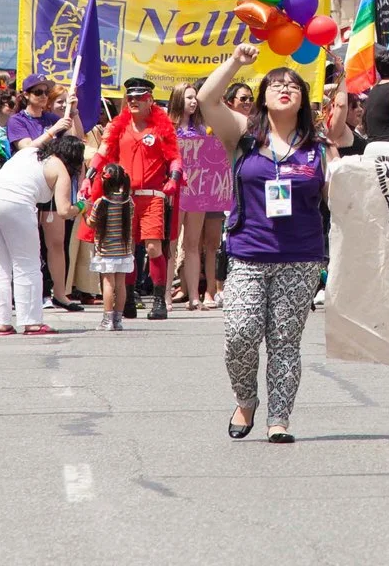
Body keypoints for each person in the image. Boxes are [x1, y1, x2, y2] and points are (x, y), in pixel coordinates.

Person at [202, 42, 341, 442]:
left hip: (301, 258)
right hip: (247, 254)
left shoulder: (318, 148)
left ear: (303, 100)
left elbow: (340, 199)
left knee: (284, 342)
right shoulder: (244, 135)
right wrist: (236, 62)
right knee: (240, 334)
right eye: (276, 84)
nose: (284, 88)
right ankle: (246, 399)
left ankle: (279, 418)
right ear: (262, 97)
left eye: (293, 85)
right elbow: (208, 99)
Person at [0, 123, 84, 336]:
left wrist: (53, 130)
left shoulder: (30, 152)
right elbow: (64, 211)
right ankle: (32, 322)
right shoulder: (61, 169)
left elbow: (39, 141)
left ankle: (2, 321)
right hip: (17, 203)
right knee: (27, 263)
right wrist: (83, 205)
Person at [107, 78, 178, 320]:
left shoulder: (161, 128)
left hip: (152, 197)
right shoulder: (119, 126)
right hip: (125, 198)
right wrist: (91, 177)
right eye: (130, 97)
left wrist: (174, 178)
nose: (134, 101)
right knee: (127, 249)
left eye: (139, 97)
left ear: (150, 100)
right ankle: (128, 298)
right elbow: (105, 154)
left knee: (153, 247)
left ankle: (159, 301)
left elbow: (174, 158)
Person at [175, 78, 239, 311]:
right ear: (178, 99)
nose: (194, 102)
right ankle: (164, 296)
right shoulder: (168, 127)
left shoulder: (202, 129)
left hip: (197, 191)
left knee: (193, 244)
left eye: (195, 98)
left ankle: (194, 296)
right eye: (189, 98)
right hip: (175, 191)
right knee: (171, 244)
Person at [85, 160, 135, 331]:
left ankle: (107, 320)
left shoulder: (101, 203)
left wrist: (84, 213)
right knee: (121, 285)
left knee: (108, 284)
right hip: (123, 251)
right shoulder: (128, 202)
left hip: (106, 251)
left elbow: (91, 223)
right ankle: (118, 320)